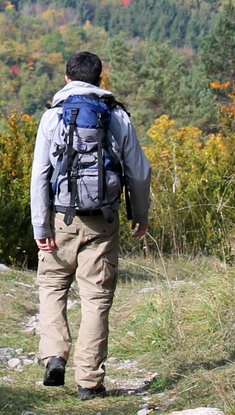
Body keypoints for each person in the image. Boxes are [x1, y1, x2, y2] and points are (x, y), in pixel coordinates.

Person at [30, 51, 152, 397]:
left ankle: (54, 354)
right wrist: (138, 215)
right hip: (104, 220)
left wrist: (41, 226)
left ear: (67, 79)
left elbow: (40, 175)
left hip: (60, 218)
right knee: (96, 298)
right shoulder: (116, 116)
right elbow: (139, 172)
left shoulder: (52, 118)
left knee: (53, 285)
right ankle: (89, 381)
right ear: (100, 79)